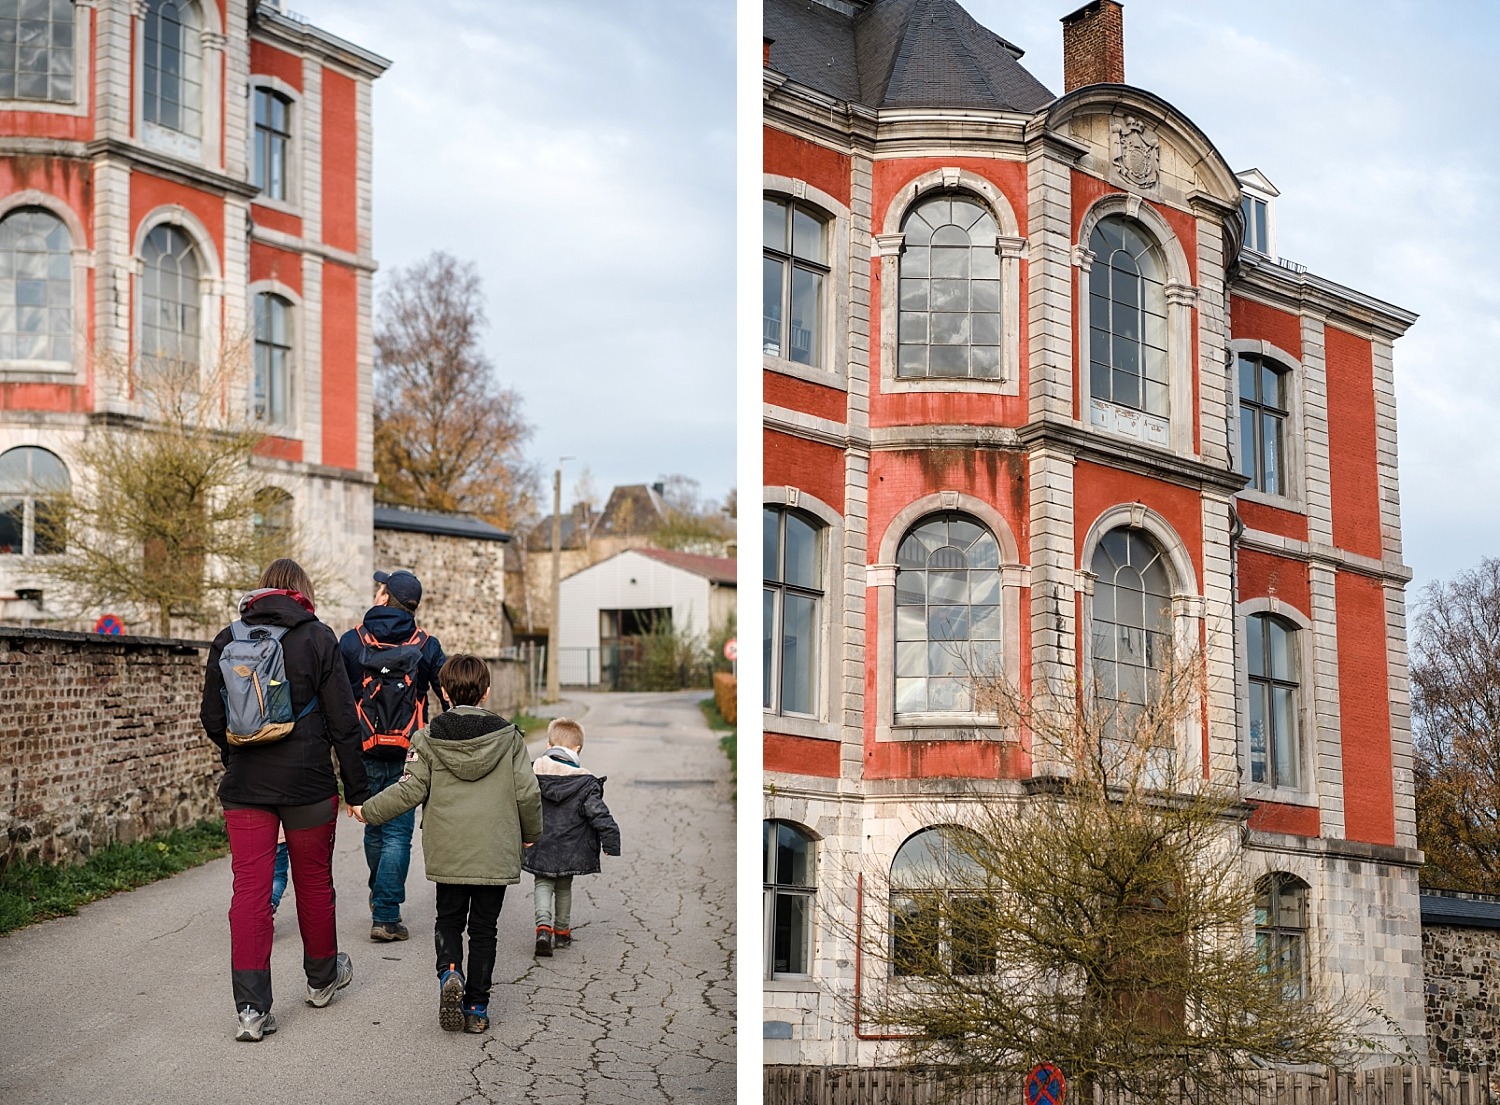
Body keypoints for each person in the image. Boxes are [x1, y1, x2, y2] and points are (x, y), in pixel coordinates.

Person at [201, 558, 369, 1042]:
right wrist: (355, 791)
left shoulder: (228, 637)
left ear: (262, 591)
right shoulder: (318, 637)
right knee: (314, 881)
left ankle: (251, 1010)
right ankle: (321, 981)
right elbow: (343, 722)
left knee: (249, 890)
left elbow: (212, 717)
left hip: (246, 787)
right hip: (308, 784)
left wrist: (237, 759)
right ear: (301, 591)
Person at [350, 654, 541, 1033]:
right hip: (494, 848)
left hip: (449, 848)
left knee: (450, 919)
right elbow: (528, 793)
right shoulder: (509, 738)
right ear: (486, 691)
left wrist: (368, 811)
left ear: (446, 693)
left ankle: (450, 972)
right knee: (485, 929)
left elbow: (409, 790)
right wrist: (531, 833)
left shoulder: (428, 737)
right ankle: (477, 1007)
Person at [338, 569, 447, 943]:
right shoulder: (427, 645)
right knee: (398, 833)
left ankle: (380, 901)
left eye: (380, 588)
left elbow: (336, 697)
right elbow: (448, 695)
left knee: (373, 823)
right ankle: (386, 915)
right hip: (409, 752)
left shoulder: (352, 642)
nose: (376, 592)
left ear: (385, 598)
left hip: (362, 747)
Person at [524, 718, 621, 958]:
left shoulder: (531, 773)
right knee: (564, 886)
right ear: (577, 750)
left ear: (549, 744)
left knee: (543, 883)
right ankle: (562, 931)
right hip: (571, 847)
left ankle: (543, 927)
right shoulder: (585, 782)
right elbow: (599, 813)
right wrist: (610, 840)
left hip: (539, 842)